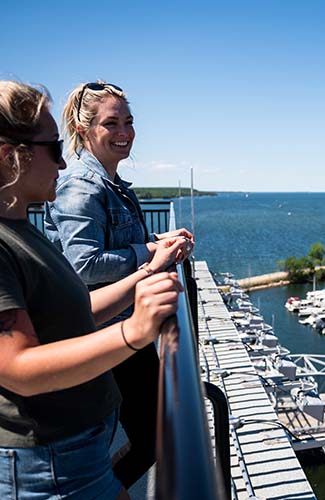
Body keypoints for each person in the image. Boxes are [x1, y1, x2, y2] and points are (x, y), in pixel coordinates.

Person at [0, 81, 187, 499]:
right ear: (10, 155)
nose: (64, 165)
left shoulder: (21, 232)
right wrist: (133, 331)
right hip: (48, 458)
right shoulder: (11, 237)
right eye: (54, 147)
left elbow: (75, 309)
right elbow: (17, 369)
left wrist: (148, 270)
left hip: (73, 449)